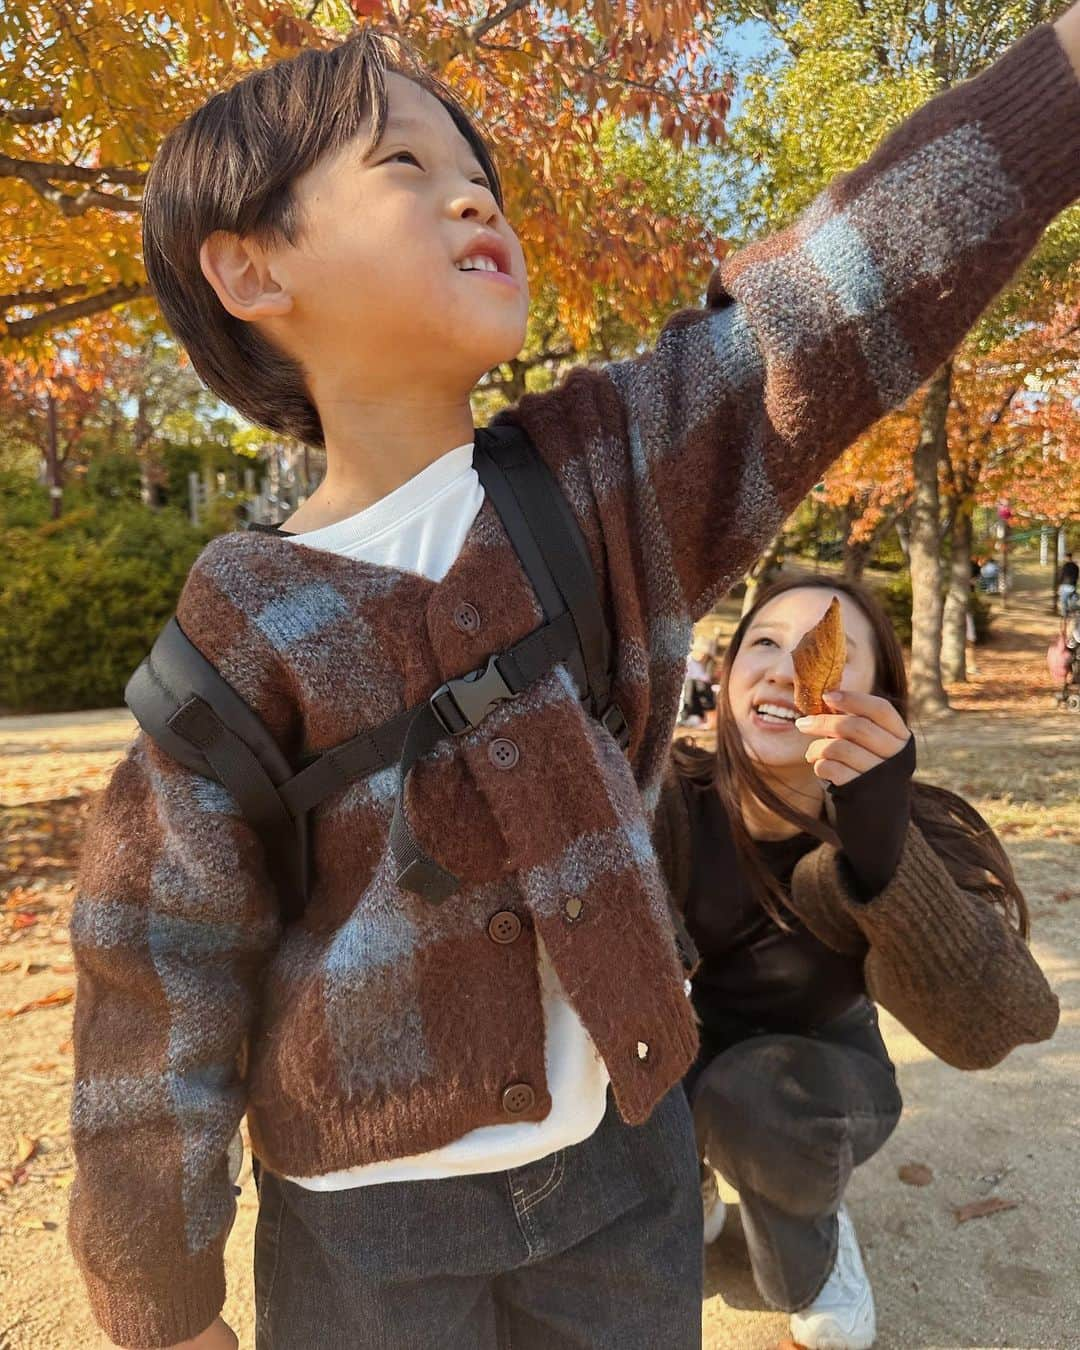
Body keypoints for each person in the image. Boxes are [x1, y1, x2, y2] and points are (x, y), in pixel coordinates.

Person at [66, 13, 1080, 1350]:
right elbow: (157, 973)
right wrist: (162, 1304)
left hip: (625, 1169)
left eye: (471, 163)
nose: (471, 188)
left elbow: (836, 301)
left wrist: (1054, 85)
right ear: (253, 269)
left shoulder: (606, 481)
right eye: (401, 166)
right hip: (365, 1231)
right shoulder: (233, 633)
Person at [653, 577, 1059, 1349]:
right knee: (619, 1064)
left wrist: (886, 858)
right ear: (730, 672)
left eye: (818, 653)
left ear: (881, 703)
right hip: (688, 1048)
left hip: (820, 1080)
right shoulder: (669, 796)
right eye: (762, 643)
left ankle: (813, 1250)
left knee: (753, 1098)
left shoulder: (910, 825)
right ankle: (690, 1167)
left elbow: (1006, 1022)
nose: (782, 668)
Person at [1058, 550, 1079, 615]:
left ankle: (1065, 614)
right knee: (1074, 598)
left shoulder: (1064, 566)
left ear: (1066, 557)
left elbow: (1061, 576)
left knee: (1063, 601)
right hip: (1072, 587)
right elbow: (1076, 577)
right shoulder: (1076, 567)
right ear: (1071, 557)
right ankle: (1073, 609)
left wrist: (1059, 585)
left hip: (1065, 586)